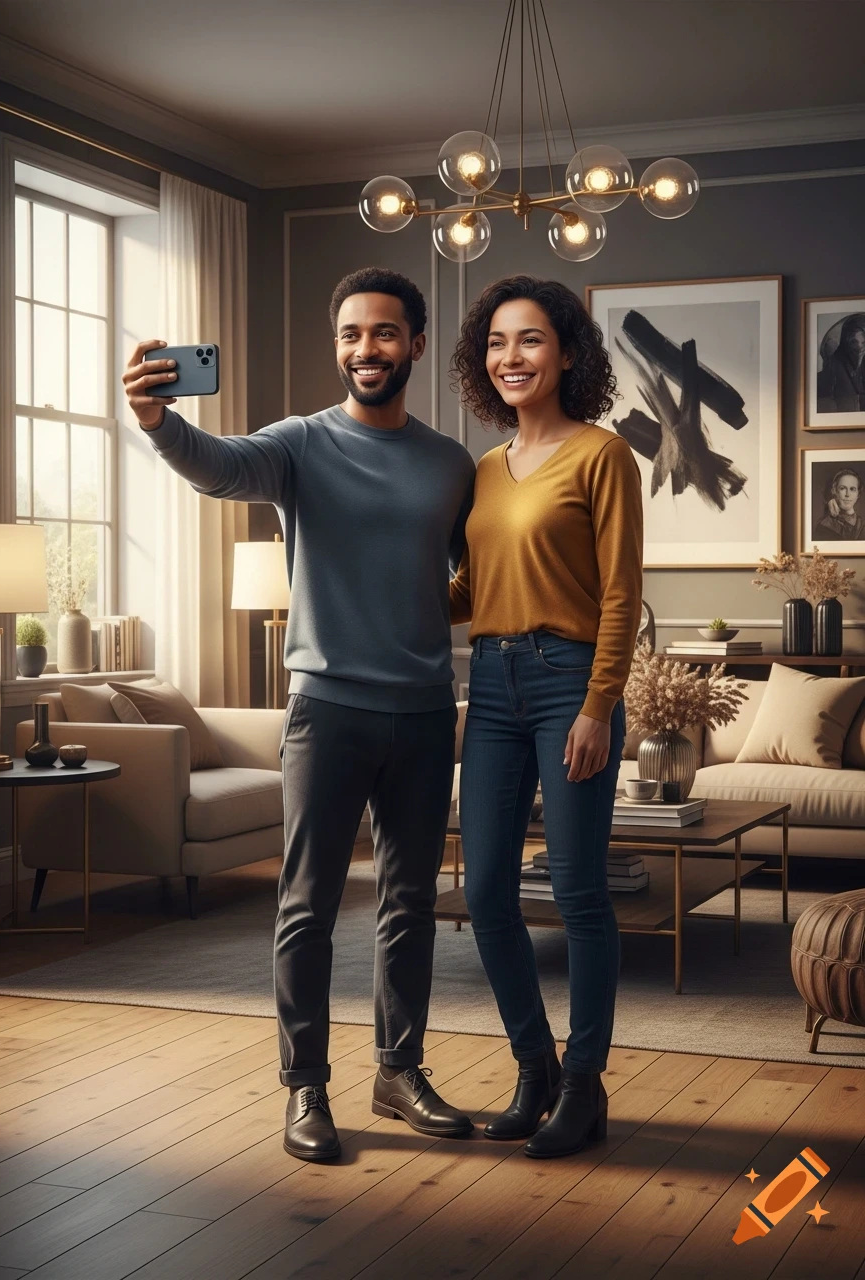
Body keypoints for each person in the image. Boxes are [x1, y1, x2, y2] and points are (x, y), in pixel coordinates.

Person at [123, 267, 475, 1163]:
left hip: (429, 712)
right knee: (308, 905)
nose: (368, 349)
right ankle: (305, 1088)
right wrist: (159, 423)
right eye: (353, 334)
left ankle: (399, 1071)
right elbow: (220, 466)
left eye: (386, 333)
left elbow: (474, 575)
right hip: (328, 712)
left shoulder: (449, 464)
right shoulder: (301, 446)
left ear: (417, 346)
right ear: (339, 346)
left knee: (408, 902)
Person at [449, 275, 642, 1159]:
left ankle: (586, 1081)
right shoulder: (484, 469)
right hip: (488, 687)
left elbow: (620, 594)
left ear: (567, 351)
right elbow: (471, 590)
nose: (511, 358)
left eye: (528, 340)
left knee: (577, 892)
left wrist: (600, 704)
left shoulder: (603, 454)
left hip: (571, 683)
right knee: (484, 889)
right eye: (495, 343)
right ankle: (536, 1067)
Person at [817, 315, 865, 414]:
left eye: (863, 343)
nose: (859, 348)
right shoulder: (832, 367)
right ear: (846, 343)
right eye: (854, 342)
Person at [814, 467, 865, 540]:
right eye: (842, 488)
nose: (847, 494)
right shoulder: (825, 526)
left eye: (852, 489)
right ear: (834, 491)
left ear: (858, 494)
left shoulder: (862, 524)